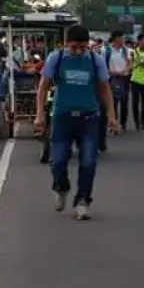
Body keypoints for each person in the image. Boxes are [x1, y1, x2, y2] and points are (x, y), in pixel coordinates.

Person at [34, 25, 120, 221]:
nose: (79, 51)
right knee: (57, 161)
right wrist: (39, 115)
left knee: (88, 162)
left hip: (89, 118)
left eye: (82, 47)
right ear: (66, 44)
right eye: (74, 47)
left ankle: (83, 200)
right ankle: (60, 187)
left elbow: (105, 88)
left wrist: (112, 117)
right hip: (62, 117)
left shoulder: (94, 60)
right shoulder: (55, 59)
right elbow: (43, 87)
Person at [104, 31, 132, 131]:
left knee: (124, 102)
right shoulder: (107, 50)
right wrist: (112, 72)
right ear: (116, 39)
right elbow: (104, 65)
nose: (122, 40)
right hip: (112, 78)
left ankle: (123, 124)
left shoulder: (125, 50)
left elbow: (130, 63)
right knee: (113, 102)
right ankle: (113, 123)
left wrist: (125, 70)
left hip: (124, 78)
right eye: (121, 38)